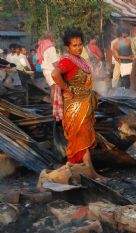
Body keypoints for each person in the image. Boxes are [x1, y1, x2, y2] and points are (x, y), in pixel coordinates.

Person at [51, 28, 105, 180]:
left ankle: (75, 172)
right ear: (67, 48)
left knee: (83, 140)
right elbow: (55, 74)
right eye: (74, 45)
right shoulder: (67, 60)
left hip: (84, 106)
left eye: (80, 44)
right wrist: (67, 89)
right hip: (74, 108)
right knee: (81, 140)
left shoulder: (81, 60)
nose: (78, 48)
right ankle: (92, 174)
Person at [38, 32, 61, 118]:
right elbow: (55, 62)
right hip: (51, 70)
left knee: (53, 89)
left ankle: (53, 106)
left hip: (46, 70)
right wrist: (62, 70)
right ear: (51, 37)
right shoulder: (50, 47)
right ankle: (54, 107)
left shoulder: (43, 45)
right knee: (54, 89)